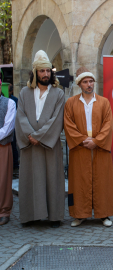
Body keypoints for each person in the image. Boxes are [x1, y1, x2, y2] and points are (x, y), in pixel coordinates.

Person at [15, 50, 65, 228]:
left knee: (52, 179)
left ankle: (54, 216)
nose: (46, 74)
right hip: (31, 145)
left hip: (48, 145)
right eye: (42, 71)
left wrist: (38, 136)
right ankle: (31, 215)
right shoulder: (24, 93)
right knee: (31, 179)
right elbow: (20, 116)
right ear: (35, 72)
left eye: (48, 71)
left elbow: (57, 119)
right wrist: (30, 136)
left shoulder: (58, 94)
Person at [64, 67, 113, 227]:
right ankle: (79, 214)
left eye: (91, 81)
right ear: (79, 84)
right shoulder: (71, 103)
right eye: (85, 82)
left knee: (102, 180)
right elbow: (68, 125)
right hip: (80, 148)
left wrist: (97, 141)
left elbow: (108, 124)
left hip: (99, 148)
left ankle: (104, 214)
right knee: (79, 181)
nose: (89, 84)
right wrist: (82, 140)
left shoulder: (104, 102)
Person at [0, 90, 16, 226]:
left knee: (3, 180)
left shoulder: (9, 103)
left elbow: (9, 127)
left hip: (2, 145)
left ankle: (4, 212)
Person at [8, 84, 19, 169]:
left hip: (13, 126)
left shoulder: (14, 100)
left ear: (11, 91)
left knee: (13, 146)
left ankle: (15, 164)